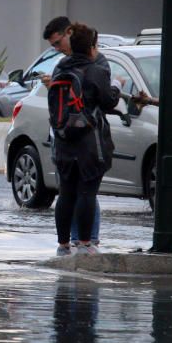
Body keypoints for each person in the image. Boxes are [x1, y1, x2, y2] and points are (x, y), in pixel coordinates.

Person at [50, 24, 119, 256]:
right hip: (89, 142)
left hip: (63, 139)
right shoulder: (95, 71)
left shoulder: (60, 68)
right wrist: (117, 85)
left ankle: (63, 244)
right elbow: (109, 101)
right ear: (91, 47)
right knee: (87, 193)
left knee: (66, 192)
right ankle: (85, 243)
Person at [42, 16, 102, 248]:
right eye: (53, 46)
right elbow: (106, 97)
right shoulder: (63, 66)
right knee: (73, 192)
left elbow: (100, 99)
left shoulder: (95, 64)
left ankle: (81, 241)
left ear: (70, 33)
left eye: (58, 43)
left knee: (82, 192)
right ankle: (75, 242)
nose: (57, 49)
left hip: (83, 139)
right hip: (68, 138)